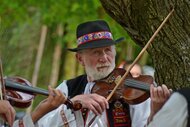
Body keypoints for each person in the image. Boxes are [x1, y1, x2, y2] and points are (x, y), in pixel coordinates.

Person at [12, 20, 171, 127]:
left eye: (108, 50)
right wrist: (72, 104)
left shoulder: (133, 92)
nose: (104, 58)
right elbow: (43, 125)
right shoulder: (68, 88)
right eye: (96, 53)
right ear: (80, 58)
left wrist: (156, 110)